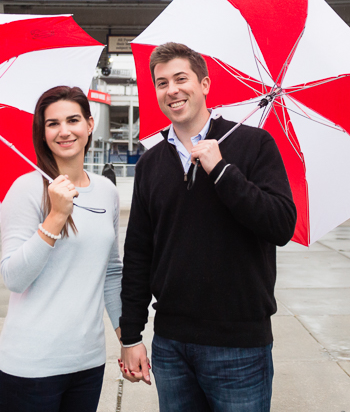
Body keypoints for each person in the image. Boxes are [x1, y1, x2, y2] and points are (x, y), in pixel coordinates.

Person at [119, 42, 297, 412]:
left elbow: (281, 224)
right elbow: (139, 254)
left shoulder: (253, 145)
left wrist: (223, 171)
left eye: (181, 79)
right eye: (162, 82)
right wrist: (132, 335)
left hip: (239, 345)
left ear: (205, 84)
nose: (172, 90)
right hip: (170, 344)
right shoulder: (151, 163)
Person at [0, 85, 122, 412]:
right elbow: (14, 277)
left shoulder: (106, 191)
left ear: (90, 125)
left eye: (73, 120)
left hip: (88, 363)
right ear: (43, 132)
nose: (64, 131)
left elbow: (111, 273)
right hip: (30, 367)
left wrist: (128, 339)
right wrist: (55, 216)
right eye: (53, 123)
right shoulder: (26, 189)